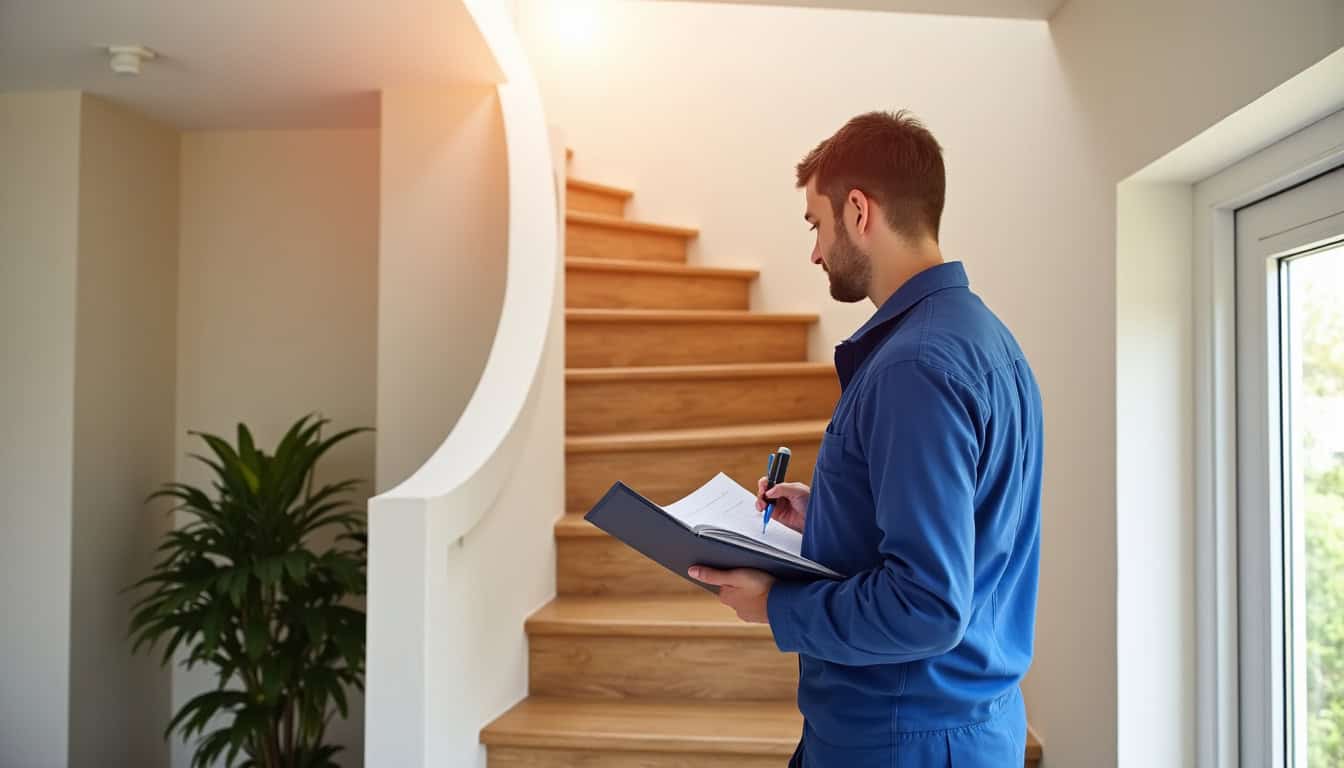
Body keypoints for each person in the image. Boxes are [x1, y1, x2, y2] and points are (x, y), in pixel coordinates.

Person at [688, 111, 1043, 767]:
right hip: (951, 723)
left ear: (858, 211)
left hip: (901, 738)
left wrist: (776, 605)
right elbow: (967, 535)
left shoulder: (915, 366)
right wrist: (827, 515)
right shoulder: (986, 339)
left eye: (816, 225)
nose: (816, 252)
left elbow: (926, 605)